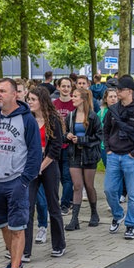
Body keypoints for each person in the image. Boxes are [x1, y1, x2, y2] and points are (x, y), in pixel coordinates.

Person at [0, 78, 42, 268]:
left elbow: (35, 154)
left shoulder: (27, 121)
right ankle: (12, 261)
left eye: (3, 91)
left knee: (17, 227)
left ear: (15, 94)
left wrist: (24, 181)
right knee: (3, 225)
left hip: (15, 181)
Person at [103, 75, 134, 239]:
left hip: (130, 158)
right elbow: (105, 130)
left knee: (132, 194)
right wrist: (108, 148)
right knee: (109, 190)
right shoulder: (113, 110)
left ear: (129, 91)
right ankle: (118, 215)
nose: (116, 92)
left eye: (119, 89)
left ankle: (131, 225)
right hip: (113, 156)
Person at [24, 87, 67, 260]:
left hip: (48, 165)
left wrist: (40, 167)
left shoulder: (53, 120)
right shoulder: (28, 119)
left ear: (42, 101)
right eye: (29, 99)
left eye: (33, 99)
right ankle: (25, 249)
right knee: (27, 207)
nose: (30, 102)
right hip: (31, 166)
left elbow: (56, 148)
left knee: (53, 205)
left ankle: (59, 244)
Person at [63, 88, 103, 230]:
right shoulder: (70, 116)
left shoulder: (92, 116)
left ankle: (94, 213)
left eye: (75, 96)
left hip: (89, 155)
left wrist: (81, 139)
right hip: (74, 154)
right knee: (77, 185)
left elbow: (98, 137)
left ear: (83, 99)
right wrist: (67, 135)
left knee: (89, 185)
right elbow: (64, 132)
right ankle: (75, 219)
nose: (72, 98)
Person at [53, 78, 75, 216]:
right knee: (58, 176)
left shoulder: (75, 104)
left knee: (67, 176)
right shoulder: (54, 104)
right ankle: (65, 200)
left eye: (68, 86)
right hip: (55, 145)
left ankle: (65, 204)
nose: (66, 89)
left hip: (69, 146)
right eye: (63, 86)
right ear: (58, 87)